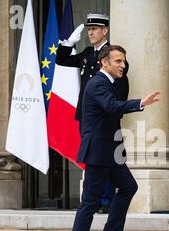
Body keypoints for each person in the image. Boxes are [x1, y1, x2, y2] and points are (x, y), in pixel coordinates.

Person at [67, 45, 161, 231]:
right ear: (104, 63)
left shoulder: (108, 83)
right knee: (89, 203)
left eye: (124, 61)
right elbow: (111, 106)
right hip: (98, 152)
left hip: (110, 151)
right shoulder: (98, 83)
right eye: (118, 61)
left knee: (128, 186)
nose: (123, 65)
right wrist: (140, 103)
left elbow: (111, 109)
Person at [57, 13, 126, 214]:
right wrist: (68, 43)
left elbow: (121, 84)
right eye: (89, 29)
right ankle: (93, 200)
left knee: (103, 157)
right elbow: (61, 60)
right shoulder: (88, 53)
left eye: (94, 29)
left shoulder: (114, 55)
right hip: (86, 115)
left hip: (104, 115)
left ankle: (105, 200)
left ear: (105, 31)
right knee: (91, 157)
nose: (90, 32)